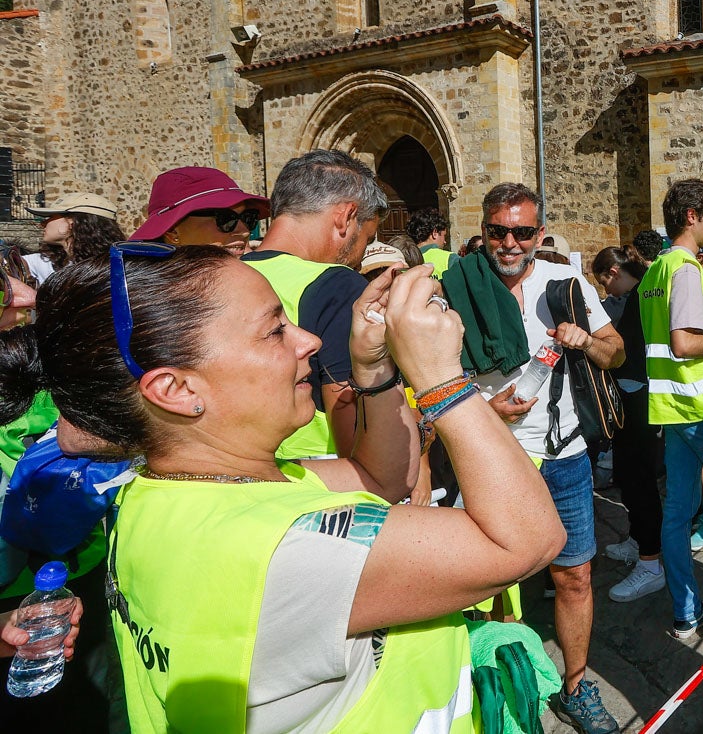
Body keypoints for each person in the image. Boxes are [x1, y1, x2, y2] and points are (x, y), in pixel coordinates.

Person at [0, 247, 566, 731]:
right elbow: (526, 540)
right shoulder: (282, 549)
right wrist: (442, 380)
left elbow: (379, 479)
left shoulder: (163, 487)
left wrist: (373, 371)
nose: (310, 340)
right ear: (174, 388)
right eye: (275, 330)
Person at [440, 182, 624, 734]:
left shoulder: (564, 285)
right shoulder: (457, 286)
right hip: (491, 453)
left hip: (562, 452)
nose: (511, 242)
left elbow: (616, 351)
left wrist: (584, 340)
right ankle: (500, 682)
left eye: (523, 232)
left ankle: (575, 685)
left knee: (574, 575)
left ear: (539, 235)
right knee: (493, 579)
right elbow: (434, 372)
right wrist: (482, 405)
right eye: (499, 231)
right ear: (484, 233)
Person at [0, 244, 104, 729]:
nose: (26, 295)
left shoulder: (36, 369)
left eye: (17, 278)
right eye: (0, 290)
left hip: (54, 594)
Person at [637, 179, 703, 639]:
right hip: (699, 407)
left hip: (669, 407)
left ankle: (686, 613)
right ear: (691, 216)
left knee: (677, 514)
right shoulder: (684, 269)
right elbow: (683, 344)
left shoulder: (656, 269)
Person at [243, 149, 389, 459]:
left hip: (239, 473)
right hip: (321, 481)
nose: (362, 254)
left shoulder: (222, 275)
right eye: (368, 237)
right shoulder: (338, 285)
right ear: (346, 217)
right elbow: (351, 413)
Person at [591, 247, 667, 602]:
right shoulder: (634, 296)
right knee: (627, 476)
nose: (607, 290)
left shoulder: (640, 296)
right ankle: (639, 541)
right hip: (630, 398)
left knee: (640, 481)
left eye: (605, 280)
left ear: (614, 271)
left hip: (642, 399)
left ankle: (651, 563)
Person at [129, 166, 269, 257]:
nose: (244, 231)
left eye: (249, 218)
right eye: (226, 219)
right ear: (173, 233)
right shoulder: (148, 297)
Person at [24, 192, 126, 284]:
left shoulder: (114, 270)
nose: (41, 224)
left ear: (72, 222)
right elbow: (14, 261)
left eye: (50, 217)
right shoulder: (54, 262)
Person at [408, 208, 461, 279]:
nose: (444, 242)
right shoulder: (450, 259)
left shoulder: (403, 258)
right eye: (444, 235)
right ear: (435, 233)